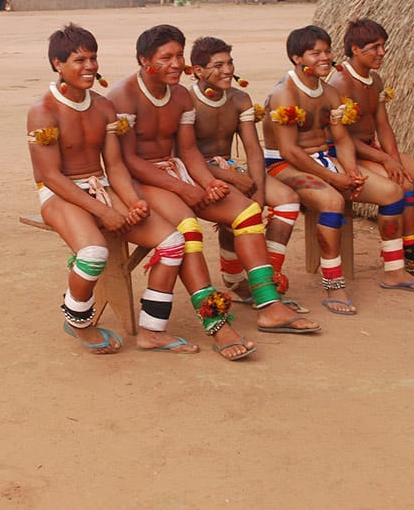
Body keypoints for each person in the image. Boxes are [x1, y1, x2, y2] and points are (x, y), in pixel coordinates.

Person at [108, 25, 320, 362]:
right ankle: (216, 321)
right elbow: (127, 159)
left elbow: (189, 151)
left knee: (248, 213)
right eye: (167, 57)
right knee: (188, 229)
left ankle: (269, 305)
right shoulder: (123, 96)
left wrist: (207, 183)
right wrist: (183, 188)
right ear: (144, 60)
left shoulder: (179, 95)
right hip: (139, 179)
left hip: (178, 171)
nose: (177, 63)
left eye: (179, 55)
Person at [27, 24, 197, 355]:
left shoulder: (103, 106)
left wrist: (133, 202)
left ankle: (152, 331)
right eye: (79, 60)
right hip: (60, 194)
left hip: (102, 187)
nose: (89, 66)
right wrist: (104, 211)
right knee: (93, 254)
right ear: (57, 64)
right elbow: (51, 176)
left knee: (173, 243)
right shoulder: (42, 111)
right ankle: (78, 321)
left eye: (93, 58)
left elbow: (115, 166)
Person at [263, 25, 414, 317]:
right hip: (285, 164)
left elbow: (341, 139)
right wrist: (333, 178)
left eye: (327, 51)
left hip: (326, 160)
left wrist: (352, 173)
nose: (324, 57)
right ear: (296, 58)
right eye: (315, 53)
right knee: (333, 201)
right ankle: (333, 283)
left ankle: (394, 270)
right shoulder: (284, 93)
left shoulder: (329, 93)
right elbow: (289, 150)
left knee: (392, 192)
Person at [186, 36, 312, 315]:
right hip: (200, 172)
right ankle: (235, 279)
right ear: (197, 70)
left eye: (229, 63)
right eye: (217, 65)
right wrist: (233, 180)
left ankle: (266, 279)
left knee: (288, 201)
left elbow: (254, 151)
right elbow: (186, 155)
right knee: (241, 210)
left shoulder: (240, 99)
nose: (227, 70)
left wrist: (257, 190)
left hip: (232, 167)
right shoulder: (187, 101)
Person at [328, 18, 414, 279]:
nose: (381, 53)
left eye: (383, 46)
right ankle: (411, 255)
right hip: (346, 153)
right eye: (374, 47)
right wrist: (386, 160)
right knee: (404, 187)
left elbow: (383, 126)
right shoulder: (340, 82)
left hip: (371, 148)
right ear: (355, 50)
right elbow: (343, 139)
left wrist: (394, 160)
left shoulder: (375, 80)